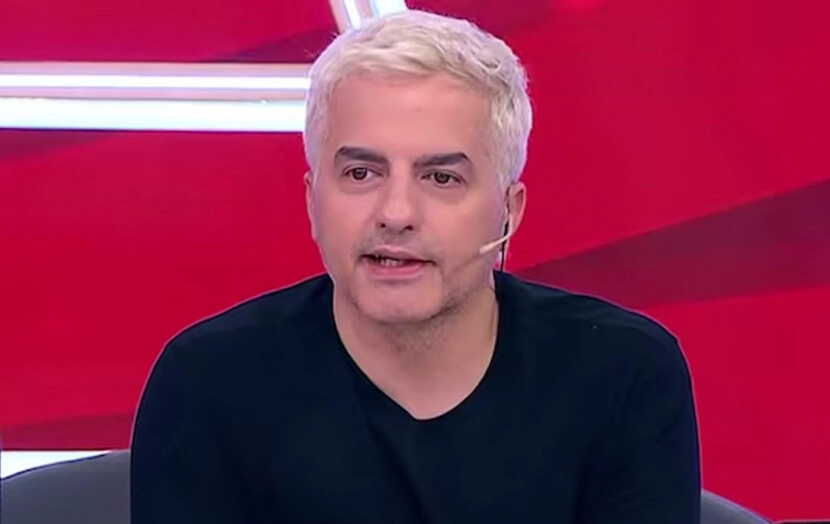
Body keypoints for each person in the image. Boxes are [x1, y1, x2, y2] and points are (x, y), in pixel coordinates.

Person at [130, 9, 700, 524]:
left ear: (509, 210)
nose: (396, 213)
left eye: (441, 177)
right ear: (311, 201)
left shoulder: (622, 375)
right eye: (361, 174)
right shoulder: (207, 384)